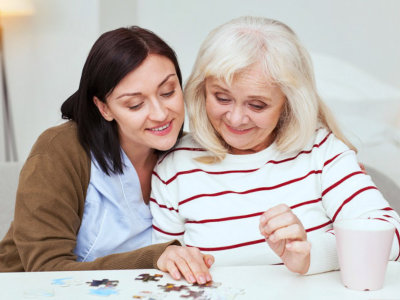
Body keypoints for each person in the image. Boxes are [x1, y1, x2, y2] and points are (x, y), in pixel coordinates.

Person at [150, 16, 400, 275]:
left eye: (257, 105)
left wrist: (310, 254)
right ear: (201, 90)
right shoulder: (174, 166)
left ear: (287, 104)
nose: (235, 118)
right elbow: (162, 267)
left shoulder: (321, 151)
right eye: (222, 98)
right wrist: (170, 258)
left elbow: (391, 236)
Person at [0, 26, 213, 284]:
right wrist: (154, 258)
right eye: (135, 104)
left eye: (168, 91)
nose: (160, 114)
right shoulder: (59, 151)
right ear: (103, 107)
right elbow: (46, 270)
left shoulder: (187, 152)